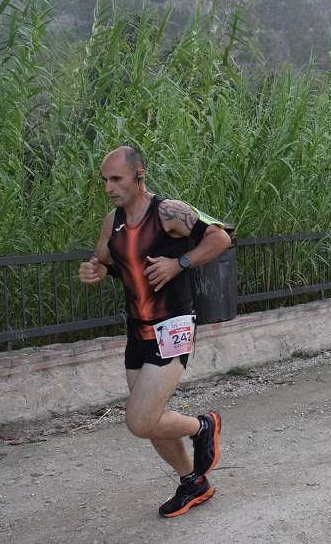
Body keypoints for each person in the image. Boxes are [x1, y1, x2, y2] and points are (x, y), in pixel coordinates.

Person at [78, 145, 232, 517]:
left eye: (116, 179)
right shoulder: (111, 221)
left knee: (141, 419)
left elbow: (220, 238)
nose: (109, 187)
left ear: (139, 175)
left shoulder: (169, 212)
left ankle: (201, 426)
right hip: (138, 329)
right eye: (105, 180)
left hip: (173, 324)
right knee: (150, 422)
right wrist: (95, 270)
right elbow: (105, 258)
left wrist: (179, 263)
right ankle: (193, 483)